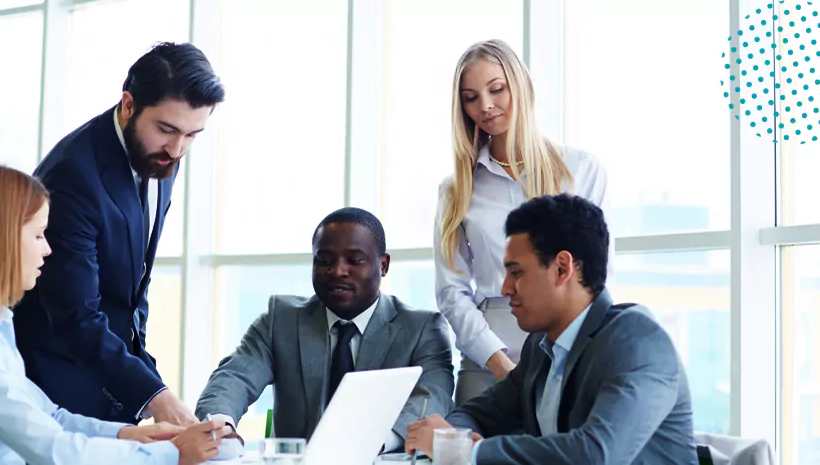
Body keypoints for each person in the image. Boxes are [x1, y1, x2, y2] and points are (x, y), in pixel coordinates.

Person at [0, 163, 231, 465]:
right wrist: (171, 454)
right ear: (0, 240)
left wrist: (128, 435)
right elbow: (51, 449)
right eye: (38, 235)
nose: (47, 249)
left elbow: (51, 416)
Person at [13, 42, 226, 426]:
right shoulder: (72, 177)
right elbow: (76, 316)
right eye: (167, 129)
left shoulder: (161, 155)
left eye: (193, 135)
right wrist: (157, 399)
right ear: (128, 104)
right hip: (57, 381)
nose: (177, 149)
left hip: (114, 377)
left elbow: (130, 288)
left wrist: (151, 386)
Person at [408, 194, 697, 464]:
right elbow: (476, 414)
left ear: (562, 268)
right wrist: (450, 437)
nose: (506, 288)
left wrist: (466, 450)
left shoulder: (637, 342)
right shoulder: (541, 346)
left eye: (516, 272)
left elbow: (596, 454)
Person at [434, 39, 612, 405]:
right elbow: (451, 291)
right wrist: (499, 363)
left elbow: (596, 273)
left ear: (522, 87)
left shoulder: (580, 170)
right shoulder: (456, 190)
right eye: (470, 97)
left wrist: (571, 353)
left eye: (496, 89)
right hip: (485, 354)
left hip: (567, 348)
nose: (485, 105)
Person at [196, 208, 454, 453]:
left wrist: (374, 442)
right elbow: (234, 377)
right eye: (324, 260)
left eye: (354, 260)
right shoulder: (280, 321)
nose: (338, 271)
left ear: (383, 265)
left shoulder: (422, 329)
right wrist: (221, 424)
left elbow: (432, 397)